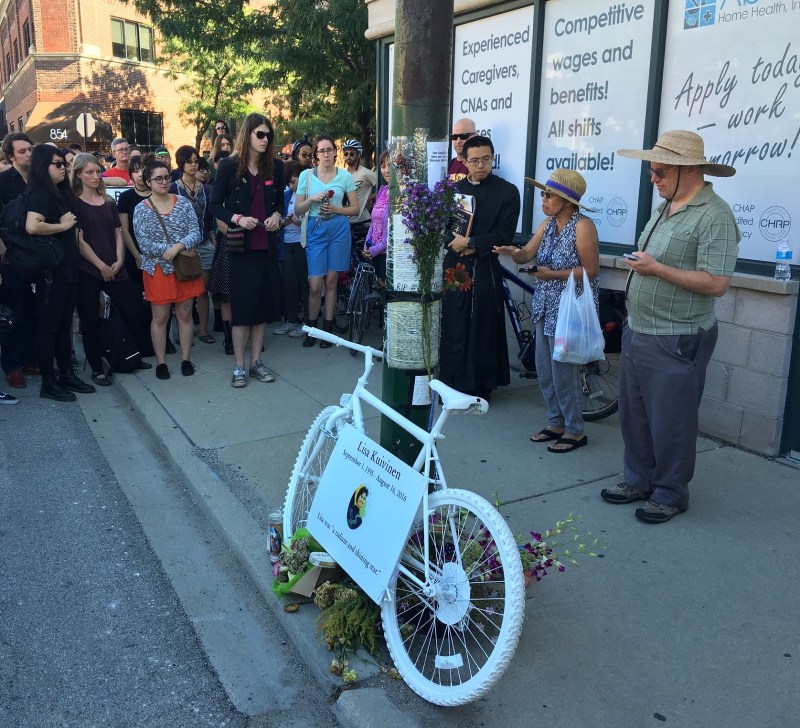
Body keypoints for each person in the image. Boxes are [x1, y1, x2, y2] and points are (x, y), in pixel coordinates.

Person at [600, 130, 740, 523]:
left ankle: (670, 493)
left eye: (660, 171)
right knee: (635, 415)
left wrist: (656, 269)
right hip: (640, 328)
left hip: (677, 336)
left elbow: (717, 283)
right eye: (652, 171)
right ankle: (639, 480)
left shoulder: (715, 216)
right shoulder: (667, 206)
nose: (653, 179)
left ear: (688, 169)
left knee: (671, 421)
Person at [495, 169, 600, 453]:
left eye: (549, 194)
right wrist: (512, 252)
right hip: (545, 305)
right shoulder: (548, 223)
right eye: (543, 193)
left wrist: (552, 275)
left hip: (569, 308)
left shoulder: (582, 225)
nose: (543, 198)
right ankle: (555, 422)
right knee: (544, 366)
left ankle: (575, 430)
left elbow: (590, 271)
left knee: (563, 369)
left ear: (567, 201)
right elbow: (527, 252)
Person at [440, 135, 519, 400]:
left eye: (486, 159)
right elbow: (443, 228)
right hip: (455, 265)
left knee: (481, 322)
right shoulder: (454, 190)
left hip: (485, 266)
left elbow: (505, 234)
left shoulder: (507, 192)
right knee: (454, 319)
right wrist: (457, 243)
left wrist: (472, 243)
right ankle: (452, 381)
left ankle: (479, 386)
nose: (480, 165)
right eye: (474, 160)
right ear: (464, 161)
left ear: (493, 158)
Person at [210, 112, 284, 387]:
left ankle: (256, 362)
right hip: (240, 247)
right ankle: (239, 365)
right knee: (241, 309)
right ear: (248, 135)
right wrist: (237, 218)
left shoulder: (275, 167)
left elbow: (279, 204)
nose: (265, 140)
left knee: (262, 308)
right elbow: (214, 204)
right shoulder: (229, 167)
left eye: (268, 135)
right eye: (260, 134)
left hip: (266, 247)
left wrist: (277, 216)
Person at [24, 145, 96, 401]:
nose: (63, 168)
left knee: (64, 326)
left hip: (67, 269)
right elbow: (32, 226)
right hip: (50, 272)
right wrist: (61, 225)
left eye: (63, 164)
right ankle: (49, 382)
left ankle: (66, 373)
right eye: (57, 164)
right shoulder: (39, 192)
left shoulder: (60, 191)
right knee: (48, 328)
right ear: (43, 166)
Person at [71, 152, 149, 386]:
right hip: (89, 270)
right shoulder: (74, 203)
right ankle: (97, 368)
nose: (95, 176)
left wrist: (118, 260)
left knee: (135, 311)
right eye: (89, 172)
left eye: (97, 171)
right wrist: (101, 266)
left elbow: (118, 233)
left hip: (116, 266)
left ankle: (127, 356)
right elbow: (79, 240)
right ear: (79, 175)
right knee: (89, 320)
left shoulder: (108, 200)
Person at [134, 158, 204, 380]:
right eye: (158, 179)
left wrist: (178, 247)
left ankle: (186, 359)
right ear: (148, 181)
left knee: (184, 314)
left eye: (167, 177)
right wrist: (169, 249)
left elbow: (196, 232)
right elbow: (143, 243)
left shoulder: (183, 203)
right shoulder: (141, 209)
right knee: (161, 316)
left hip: (184, 268)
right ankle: (161, 362)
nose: (164, 182)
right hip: (157, 270)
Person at [294, 134, 359, 348]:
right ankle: (312, 328)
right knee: (315, 284)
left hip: (339, 227)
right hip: (316, 227)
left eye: (330, 149)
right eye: (321, 150)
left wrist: (336, 209)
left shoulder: (344, 177)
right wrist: (312, 199)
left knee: (331, 281)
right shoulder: (307, 176)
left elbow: (355, 209)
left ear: (335, 152)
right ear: (316, 155)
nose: (326, 154)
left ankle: (328, 331)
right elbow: (298, 209)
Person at [0, 132, 37, 389]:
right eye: (22, 151)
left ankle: (29, 358)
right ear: (11, 155)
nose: (28, 154)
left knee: (34, 309)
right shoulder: (3, 182)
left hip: (37, 255)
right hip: (10, 255)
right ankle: (12, 366)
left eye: (30, 149)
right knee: (13, 310)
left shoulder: (38, 181)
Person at [170, 145, 216, 345]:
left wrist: (213, 241)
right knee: (184, 291)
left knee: (203, 291)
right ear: (181, 163)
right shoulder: (173, 188)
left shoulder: (207, 189)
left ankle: (204, 330)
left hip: (204, 242)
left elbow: (210, 219)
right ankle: (182, 332)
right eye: (189, 161)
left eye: (196, 161)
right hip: (182, 246)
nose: (193, 165)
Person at [274, 161, 310, 337]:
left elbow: (314, 220)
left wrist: (300, 222)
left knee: (305, 283)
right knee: (289, 284)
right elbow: (277, 219)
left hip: (303, 243)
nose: (291, 185)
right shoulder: (286, 195)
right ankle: (291, 320)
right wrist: (284, 222)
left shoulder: (308, 195)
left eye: (294, 181)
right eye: (288, 181)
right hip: (286, 243)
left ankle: (307, 323)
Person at [362, 150, 390, 282]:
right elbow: (374, 222)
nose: (386, 170)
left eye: (390, 166)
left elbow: (393, 233)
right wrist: (367, 245)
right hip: (375, 252)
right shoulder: (383, 190)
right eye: (383, 166)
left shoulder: (401, 193)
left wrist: (376, 249)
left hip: (388, 255)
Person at [342, 139, 376, 243]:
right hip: (345, 222)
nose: (348, 156)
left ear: (359, 154)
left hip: (362, 222)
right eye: (346, 153)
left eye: (352, 154)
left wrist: (370, 198)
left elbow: (383, 188)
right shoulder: (342, 175)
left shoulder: (366, 173)